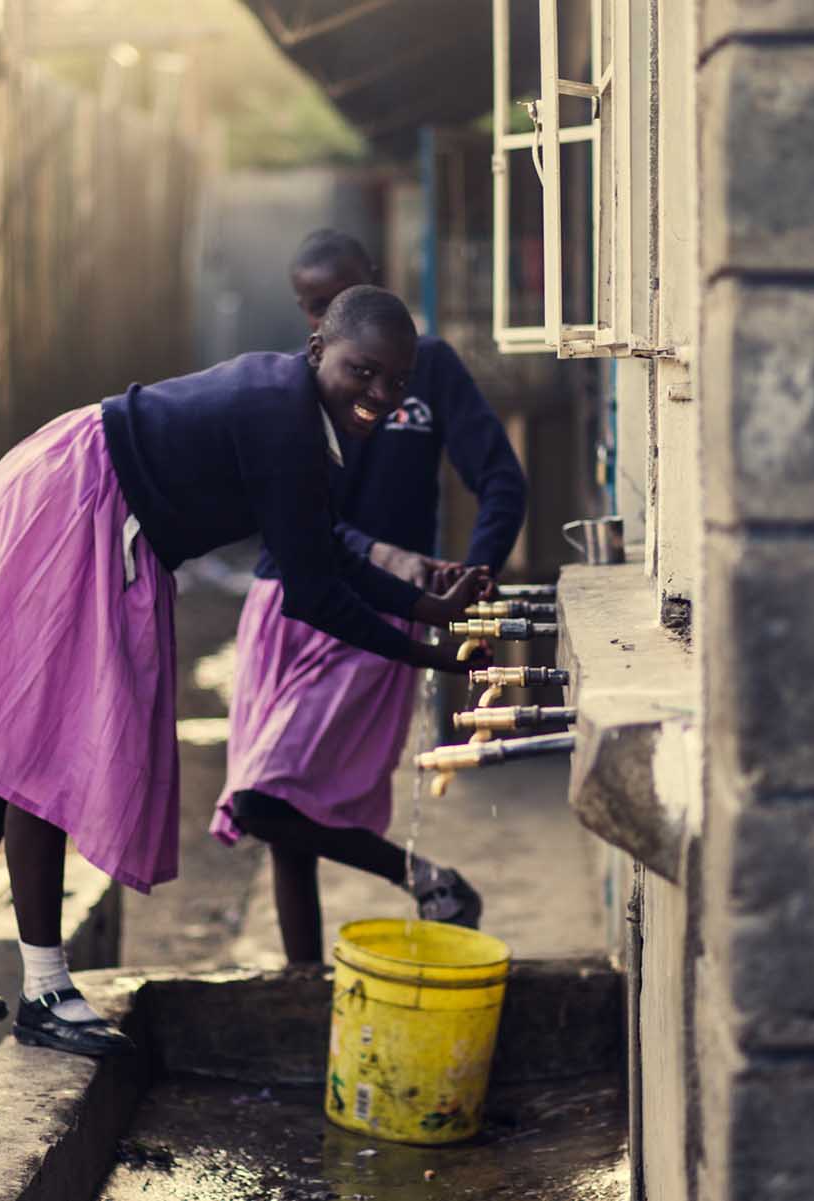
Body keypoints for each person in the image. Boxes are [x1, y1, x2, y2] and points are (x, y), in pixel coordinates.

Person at [0, 286, 490, 1057]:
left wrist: (427, 612)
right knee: (39, 751)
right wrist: (427, 651)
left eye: (396, 381)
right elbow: (312, 594)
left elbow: (321, 551)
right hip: (77, 498)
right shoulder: (284, 419)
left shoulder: (296, 414)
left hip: (60, 479)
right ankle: (45, 990)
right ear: (318, 353)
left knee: (15, 743)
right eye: (363, 370)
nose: (379, 393)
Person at [211, 230, 527, 964]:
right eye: (311, 307)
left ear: (375, 288)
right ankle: (305, 984)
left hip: (378, 613)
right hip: (283, 601)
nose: (324, 320)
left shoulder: (432, 371)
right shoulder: (296, 386)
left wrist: (472, 576)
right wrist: (400, 558)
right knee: (280, 816)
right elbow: (302, 525)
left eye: (340, 299)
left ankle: (427, 877)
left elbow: (502, 480)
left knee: (273, 798)